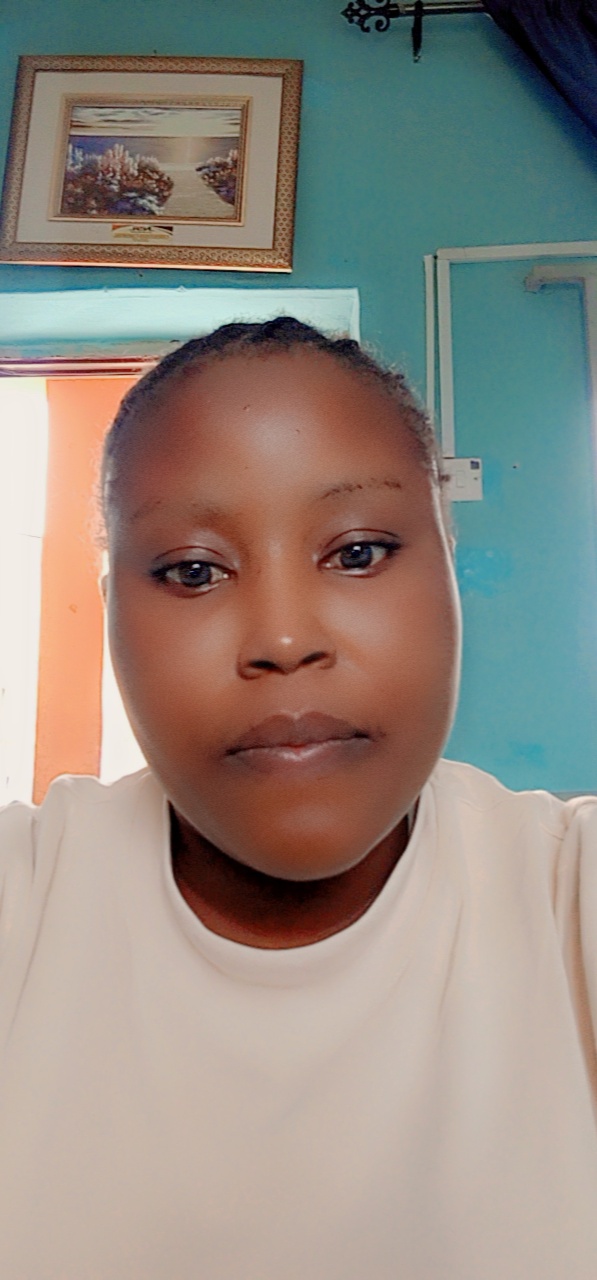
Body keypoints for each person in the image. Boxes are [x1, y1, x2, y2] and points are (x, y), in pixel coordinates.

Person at [0, 316, 596, 1279]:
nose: (282, 638)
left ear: (448, 567)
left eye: (357, 553)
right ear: (110, 612)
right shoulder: (23, 907)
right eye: (193, 570)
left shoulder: (570, 902)